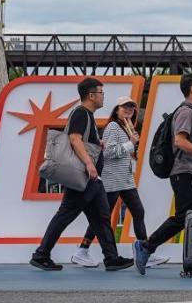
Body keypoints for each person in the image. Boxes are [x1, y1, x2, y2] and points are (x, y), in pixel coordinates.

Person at [30, 77, 134, 271]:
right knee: (65, 215)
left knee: (102, 217)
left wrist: (98, 143)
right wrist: (89, 164)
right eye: (101, 93)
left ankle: (111, 258)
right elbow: (75, 139)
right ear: (91, 95)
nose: (103, 97)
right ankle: (41, 254)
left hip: (92, 179)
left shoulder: (88, 116)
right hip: (85, 177)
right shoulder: (81, 113)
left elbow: (83, 140)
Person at [132, 73, 192, 274]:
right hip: (186, 172)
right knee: (185, 217)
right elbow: (179, 141)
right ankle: (146, 246)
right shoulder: (186, 112)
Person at [70, 96, 168, 268]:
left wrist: (132, 146)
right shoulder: (113, 127)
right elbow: (107, 152)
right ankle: (82, 250)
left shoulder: (127, 128)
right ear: (116, 110)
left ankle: (144, 250)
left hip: (125, 179)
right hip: (112, 179)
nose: (129, 110)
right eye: (125, 107)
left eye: (131, 107)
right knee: (102, 217)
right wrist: (131, 144)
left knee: (137, 212)